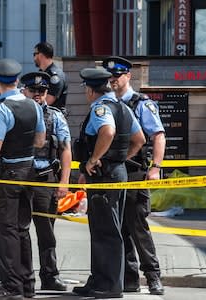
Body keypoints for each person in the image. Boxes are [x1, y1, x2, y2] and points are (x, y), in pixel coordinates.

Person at [72, 68, 145, 299]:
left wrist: (95, 159)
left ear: (91, 90)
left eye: (86, 88)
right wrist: (121, 159)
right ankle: (98, 279)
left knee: (107, 231)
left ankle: (111, 285)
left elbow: (108, 131)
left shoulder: (101, 108)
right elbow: (139, 139)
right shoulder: (123, 107)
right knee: (102, 228)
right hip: (115, 172)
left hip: (105, 175)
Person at [0, 58, 46, 300]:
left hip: (7, 174)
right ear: (17, 81)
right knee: (22, 229)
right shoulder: (34, 106)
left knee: (5, 230)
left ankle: (10, 286)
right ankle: (27, 283)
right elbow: (40, 141)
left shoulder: (1, 109)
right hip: (28, 171)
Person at [103, 56, 166, 295]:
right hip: (114, 172)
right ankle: (129, 278)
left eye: (117, 76)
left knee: (138, 226)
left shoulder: (141, 103)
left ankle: (153, 277)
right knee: (120, 228)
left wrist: (155, 168)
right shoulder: (107, 103)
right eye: (110, 77)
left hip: (135, 170)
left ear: (128, 76)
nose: (113, 80)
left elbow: (158, 135)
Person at [20, 71, 71, 292]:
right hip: (19, 179)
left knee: (46, 232)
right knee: (18, 231)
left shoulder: (56, 116)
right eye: (33, 90)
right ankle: (22, 277)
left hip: (45, 179)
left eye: (42, 91)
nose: (38, 95)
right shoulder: (15, 113)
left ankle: (50, 275)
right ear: (24, 91)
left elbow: (66, 149)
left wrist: (64, 182)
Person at [33, 42, 68, 115]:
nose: (34, 58)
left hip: (54, 119)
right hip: (43, 114)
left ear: (41, 55)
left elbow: (48, 100)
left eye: (34, 54)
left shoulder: (55, 76)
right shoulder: (41, 73)